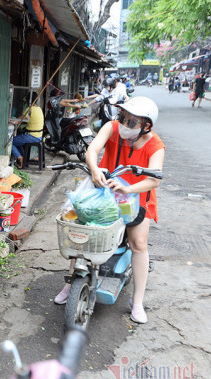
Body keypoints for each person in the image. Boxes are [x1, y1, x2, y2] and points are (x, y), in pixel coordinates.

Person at [54, 97, 165, 324]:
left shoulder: (155, 145)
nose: (124, 123)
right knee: (83, 234)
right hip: (104, 194)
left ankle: (137, 302)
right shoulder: (111, 127)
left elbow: (154, 181)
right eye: (122, 117)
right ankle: (70, 284)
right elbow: (92, 150)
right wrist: (95, 170)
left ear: (146, 126)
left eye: (132, 122)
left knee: (138, 244)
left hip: (137, 198)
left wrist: (128, 187)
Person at [11, 91, 44, 168]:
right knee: (18, 142)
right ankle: (24, 159)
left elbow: (18, 120)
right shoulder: (39, 108)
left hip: (32, 136)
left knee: (11, 142)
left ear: (28, 99)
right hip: (39, 136)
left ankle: (20, 158)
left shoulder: (29, 109)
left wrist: (11, 120)